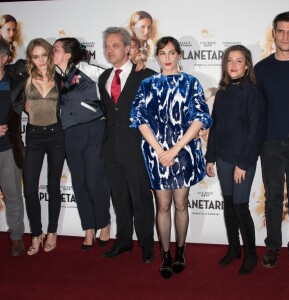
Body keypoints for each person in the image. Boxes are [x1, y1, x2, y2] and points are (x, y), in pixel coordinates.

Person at [131, 36, 212, 279]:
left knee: (181, 204)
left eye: (171, 53)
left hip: (183, 153)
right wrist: (159, 150)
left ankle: (181, 251)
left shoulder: (191, 83)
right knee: (163, 205)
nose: (167, 58)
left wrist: (175, 150)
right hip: (156, 155)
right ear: (157, 56)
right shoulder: (147, 84)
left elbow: (200, 118)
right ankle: (166, 254)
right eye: (162, 53)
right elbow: (139, 119)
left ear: (179, 55)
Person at [206, 45, 265, 275]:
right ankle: (234, 249)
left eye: (239, 61)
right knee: (229, 205)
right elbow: (215, 126)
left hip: (243, 160)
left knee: (241, 207)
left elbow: (255, 131)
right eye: (230, 60)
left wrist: (243, 162)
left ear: (247, 64)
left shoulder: (253, 91)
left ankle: (251, 255)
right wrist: (210, 158)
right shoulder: (222, 92)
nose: (233, 65)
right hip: (222, 158)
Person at [98, 27, 156, 263]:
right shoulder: (104, 78)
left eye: (115, 45)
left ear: (127, 48)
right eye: (107, 46)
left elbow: (155, 113)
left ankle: (146, 244)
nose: (110, 50)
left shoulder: (146, 75)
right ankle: (123, 242)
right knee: (119, 198)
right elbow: (108, 112)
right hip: (111, 148)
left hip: (137, 147)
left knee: (141, 198)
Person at [53, 37, 111, 250]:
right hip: (70, 134)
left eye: (56, 49)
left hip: (94, 129)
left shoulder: (86, 68)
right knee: (80, 183)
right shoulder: (56, 76)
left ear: (68, 53)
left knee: (96, 181)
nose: (53, 53)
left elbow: (113, 77)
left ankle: (104, 225)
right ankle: (88, 229)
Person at [254, 11, 289, 273]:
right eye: (280, 31)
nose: (285, 36)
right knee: (272, 197)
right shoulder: (262, 69)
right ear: (274, 33)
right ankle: (273, 246)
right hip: (269, 143)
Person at [24, 38, 65, 255]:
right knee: (30, 189)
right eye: (35, 56)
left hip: (56, 135)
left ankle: (52, 231)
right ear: (30, 58)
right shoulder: (24, 77)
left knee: (53, 187)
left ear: (50, 55)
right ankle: (36, 233)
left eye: (44, 55)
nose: (40, 60)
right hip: (33, 136)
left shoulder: (60, 78)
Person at [0, 38, 25, 256]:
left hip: (9, 148)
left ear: (5, 58)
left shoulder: (15, 80)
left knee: (13, 194)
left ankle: (17, 237)